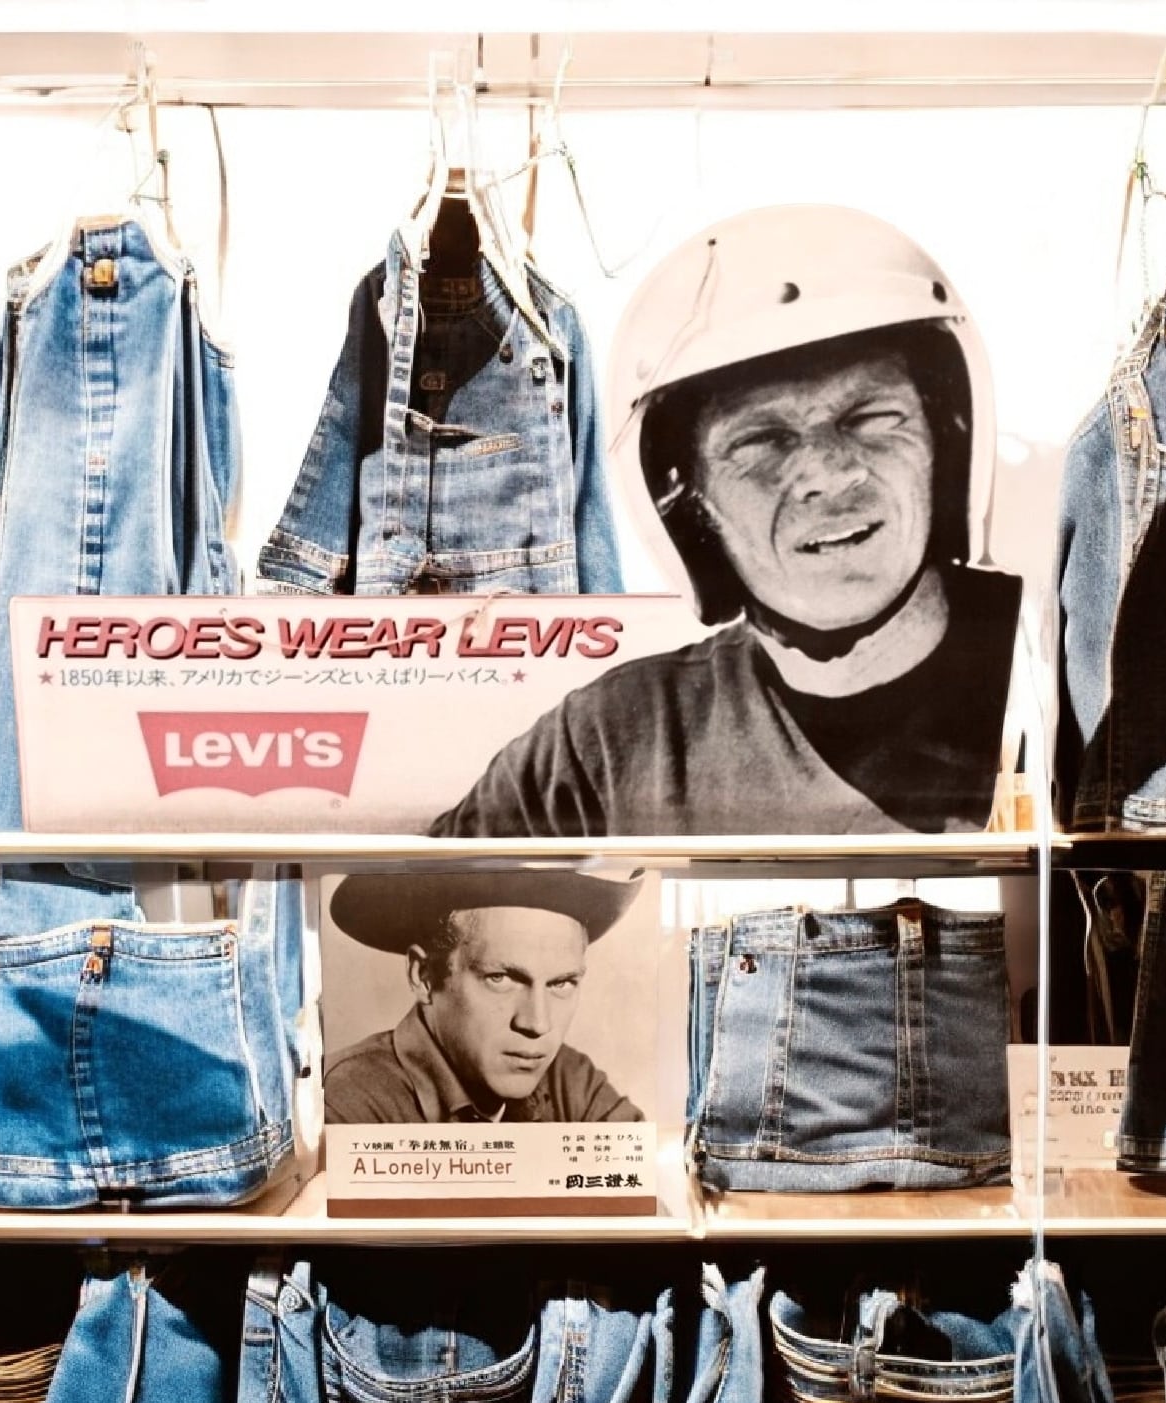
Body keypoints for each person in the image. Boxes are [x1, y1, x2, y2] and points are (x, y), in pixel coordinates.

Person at [429, 205, 1024, 837]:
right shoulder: (612, 743)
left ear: (944, 444)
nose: (829, 474)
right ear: (689, 504)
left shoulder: (1046, 668)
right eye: (761, 441)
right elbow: (414, 886)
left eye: (873, 418)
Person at [323, 869, 644, 1124]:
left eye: (561, 983)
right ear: (424, 977)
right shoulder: (341, 1104)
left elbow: (644, 1178)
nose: (537, 1024)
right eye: (500, 979)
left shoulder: (570, 1080)